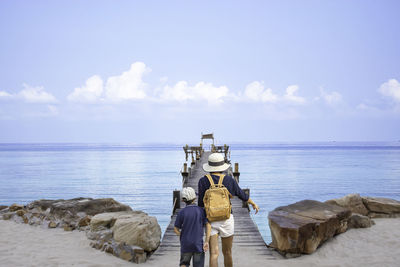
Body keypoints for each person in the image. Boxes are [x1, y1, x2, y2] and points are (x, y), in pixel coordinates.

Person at [198, 153, 259, 267]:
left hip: (210, 220)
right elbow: (241, 194)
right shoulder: (229, 180)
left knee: (214, 254)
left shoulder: (203, 181)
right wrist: (253, 203)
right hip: (226, 219)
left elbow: (201, 204)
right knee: (227, 252)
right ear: (222, 166)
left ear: (210, 167)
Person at [174, 187, 208, 267]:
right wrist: (207, 240)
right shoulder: (201, 211)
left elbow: (176, 229)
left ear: (183, 200)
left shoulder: (181, 212)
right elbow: (207, 224)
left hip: (185, 243)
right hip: (198, 244)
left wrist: (181, 235)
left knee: (184, 263)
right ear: (195, 198)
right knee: (198, 264)